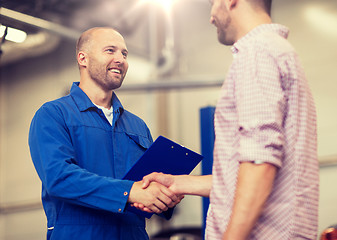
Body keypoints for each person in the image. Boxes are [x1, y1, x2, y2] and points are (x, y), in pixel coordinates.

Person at [136, 0, 320, 239]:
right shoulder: (279, 51)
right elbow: (247, 174)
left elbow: (260, 162)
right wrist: (178, 183)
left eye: (212, 4)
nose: (211, 17)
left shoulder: (256, 52)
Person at [28, 27, 181, 240]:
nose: (120, 59)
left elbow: (148, 187)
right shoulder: (54, 115)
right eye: (110, 50)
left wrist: (165, 196)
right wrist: (129, 192)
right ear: (83, 58)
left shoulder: (138, 126)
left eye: (124, 54)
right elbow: (59, 178)